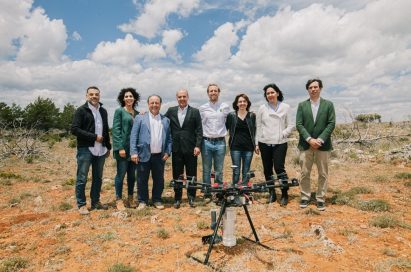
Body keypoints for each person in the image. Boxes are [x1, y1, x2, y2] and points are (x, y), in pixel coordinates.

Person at [296, 79, 335, 211]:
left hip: (323, 146)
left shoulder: (328, 105)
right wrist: (309, 139)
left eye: (316, 87)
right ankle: (305, 196)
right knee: (304, 173)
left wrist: (320, 139)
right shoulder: (302, 105)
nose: (313, 89)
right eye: (310, 87)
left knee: (323, 173)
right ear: (308, 89)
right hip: (305, 145)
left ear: (320, 88)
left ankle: (320, 198)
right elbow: (299, 124)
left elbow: (331, 123)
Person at [71, 86, 111, 215]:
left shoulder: (103, 111)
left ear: (99, 96)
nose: (94, 96)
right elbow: (75, 129)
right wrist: (94, 137)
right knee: (82, 178)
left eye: (96, 94)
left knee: (98, 178)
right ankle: (81, 204)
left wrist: (108, 147)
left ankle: (95, 202)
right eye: (91, 94)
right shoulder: (81, 111)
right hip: (85, 149)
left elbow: (105, 130)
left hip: (100, 150)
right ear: (87, 96)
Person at [130, 95, 172, 210]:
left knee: (159, 179)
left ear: (160, 104)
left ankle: (157, 199)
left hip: (159, 156)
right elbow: (133, 136)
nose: (154, 105)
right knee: (141, 179)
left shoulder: (165, 120)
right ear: (148, 104)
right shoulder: (140, 118)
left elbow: (169, 139)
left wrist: (168, 152)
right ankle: (143, 201)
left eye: (157, 103)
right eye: (152, 103)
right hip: (143, 154)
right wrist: (133, 152)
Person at [256, 83, 294, 206]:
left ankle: (284, 193)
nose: (270, 95)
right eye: (268, 93)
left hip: (280, 143)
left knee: (279, 168)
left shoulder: (286, 107)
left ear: (277, 93)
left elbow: (291, 125)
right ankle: (271, 192)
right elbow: (259, 126)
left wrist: (283, 134)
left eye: (272, 92)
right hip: (265, 142)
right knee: (267, 169)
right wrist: (257, 142)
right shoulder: (262, 108)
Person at [165, 89, 203, 209]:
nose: (182, 99)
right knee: (177, 175)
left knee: (192, 174)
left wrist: (198, 146)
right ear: (177, 98)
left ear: (188, 97)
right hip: (176, 149)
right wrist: (146, 114)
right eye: (180, 97)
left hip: (191, 149)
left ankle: (191, 197)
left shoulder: (195, 112)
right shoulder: (171, 111)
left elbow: (199, 130)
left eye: (184, 96)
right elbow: (161, 119)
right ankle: (177, 198)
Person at [199, 83, 230, 201]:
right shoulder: (202, 108)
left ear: (219, 92)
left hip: (220, 142)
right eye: (211, 91)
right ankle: (207, 193)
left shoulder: (225, 107)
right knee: (206, 169)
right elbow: (200, 125)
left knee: (219, 169)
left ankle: (218, 193)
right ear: (208, 93)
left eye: (215, 91)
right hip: (206, 142)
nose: (213, 93)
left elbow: (228, 122)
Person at [112, 88, 140, 210]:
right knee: (121, 174)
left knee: (132, 176)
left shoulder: (137, 114)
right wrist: (119, 147)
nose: (129, 98)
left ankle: (130, 198)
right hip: (123, 150)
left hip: (133, 150)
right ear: (123, 98)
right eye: (126, 96)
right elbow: (116, 130)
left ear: (135, 98)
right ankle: (118, 199)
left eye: (131, 96)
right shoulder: (119, 112)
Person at [226, 94, 257, 184]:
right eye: (240, 101)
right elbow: (225, 128)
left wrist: (256, 144)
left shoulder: (252, 116)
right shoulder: (231, 115)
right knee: (236, 171)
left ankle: (244, 189)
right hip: (235, 148)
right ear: (236, 103)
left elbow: (255, 131)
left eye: (244, 101)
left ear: (247, 103)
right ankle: (235, 190)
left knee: (246, 171)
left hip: (248, 148)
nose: (242, 103)